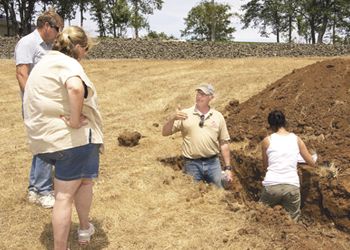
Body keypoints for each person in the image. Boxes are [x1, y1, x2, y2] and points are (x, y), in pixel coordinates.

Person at [23, 26, 103, 249]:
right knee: (64, 196)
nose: (85, 54)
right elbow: (76, 88)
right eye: (85, 49)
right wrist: (76, 121)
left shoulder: (44, 62)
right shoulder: (68, 63)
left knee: (84, 181)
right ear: (77, 47)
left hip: (46, 140)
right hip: (71, 140)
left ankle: (85, 229)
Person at [14, 10, 64, 208]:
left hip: (46, 103)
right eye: (57, 29)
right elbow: (21, 74)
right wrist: (35, 100)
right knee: (46, 144)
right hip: (36, 104)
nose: (58, 33)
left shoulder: (50, 46)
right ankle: (44, 190)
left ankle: (34, 188)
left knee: (39, 146)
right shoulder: (27, 43)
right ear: (46, 26)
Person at [162, 84, 233, 188]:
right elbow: (165, 133)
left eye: (203, 94)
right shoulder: (184, 114)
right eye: (198, 93)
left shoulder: (218, 117)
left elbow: (224, 143)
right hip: (192, 165)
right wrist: (173, 118)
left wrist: (228, 168)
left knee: (219, 195)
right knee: (194, 197)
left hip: (213, 164)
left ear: (211, 97)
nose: (199, 96)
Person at [260, 110, 316, 220]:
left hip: (272, 185)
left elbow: (265, 166)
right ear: (285, 122)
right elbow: (311, 162)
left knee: (261, 215)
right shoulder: (296, 139)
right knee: (292, 221)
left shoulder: (267, 141)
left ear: (270, 125)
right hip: (292, 186)